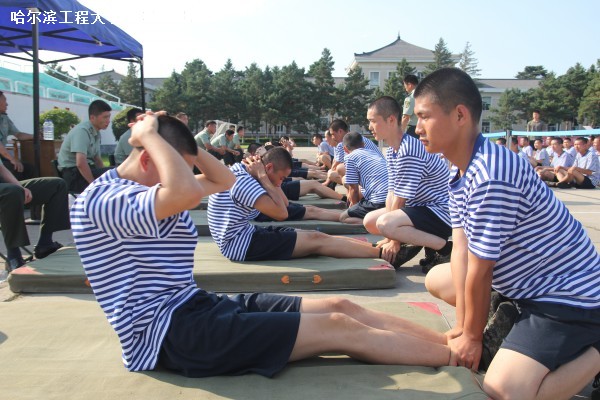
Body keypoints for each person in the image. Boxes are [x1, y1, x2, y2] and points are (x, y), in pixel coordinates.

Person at [71, 112, 453, 379]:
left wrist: (180, 138)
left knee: (341, 306)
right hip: (169, 336)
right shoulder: (105, 201)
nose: (186, 175)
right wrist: (151, 136)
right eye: (180, 167)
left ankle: (447, 340)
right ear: (147, 158)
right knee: (338, 327)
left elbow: (221, 180)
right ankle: (458, 357)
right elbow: (187, 190)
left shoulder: (144, 190)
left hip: (195, 306)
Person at [416, 68, 599, 400]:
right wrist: (463, 328)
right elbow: (461, 251)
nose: (418, 128)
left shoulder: (491, 174)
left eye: (424, 117)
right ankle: (514, 324)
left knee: (503, 391)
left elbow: (481, 268)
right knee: (438, 278)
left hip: (567, 294)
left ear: (459, 115)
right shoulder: (460, 169)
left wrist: (472, 339)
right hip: (528, 284)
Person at [208, 147, 408, 266]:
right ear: (267, 168)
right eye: (281, 178)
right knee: (316, 240)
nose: (280, 183)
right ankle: (387, 255)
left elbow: (284, 204)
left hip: (246, 234)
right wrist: (264, 177)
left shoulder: (246, 173)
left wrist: (268, 180)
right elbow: (281, 213)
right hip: (240, 245)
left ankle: (377, 248)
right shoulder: (244, 181)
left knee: (315, 235)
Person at [363, 96, 452, 272]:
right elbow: (392, 193)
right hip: (422, 207)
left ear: (391, 120)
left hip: (442, 211)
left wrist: (393, 239)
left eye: (373, 121)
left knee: (385, 224)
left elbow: (401, 199)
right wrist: (389, 237)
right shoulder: (392, 151)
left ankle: (445, 248)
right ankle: (413, 240)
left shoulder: (408, 150)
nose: (370, 127)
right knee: (371, 221)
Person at [0, 162, 69, 272]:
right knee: (12, 192)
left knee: (57, 185)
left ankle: (45, 244)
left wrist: (20, 187)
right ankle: (13, 256)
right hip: (7, 191)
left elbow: (1, 168)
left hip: (6, 187)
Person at [57, 99, 112, 193]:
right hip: (74, 175)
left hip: (85, 171)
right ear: (92, 117)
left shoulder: (96, 132)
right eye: (105, 117)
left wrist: (106, 173)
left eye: (109, 117)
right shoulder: (82, 131)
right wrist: (94, 185)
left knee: (114, 173)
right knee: (117, 173)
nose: (108, 121)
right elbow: (80, 163)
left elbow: (97, 159)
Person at [338, 131, 388, 225]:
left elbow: (354, 189)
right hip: (391, 198)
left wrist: (353, 209)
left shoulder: (350, 157)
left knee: (343, 217)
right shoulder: (373, 153)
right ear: (363, 144)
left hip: (378, 201)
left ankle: (374, 223)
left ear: (345, 149)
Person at [325, 119, 382, 188]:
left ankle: (360, 190)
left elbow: (336, 166)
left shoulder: (348, 142)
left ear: (340, 131)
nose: (332, 137)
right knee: (340, 172)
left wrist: (327, 181)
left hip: (374, 173)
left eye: (333, 134)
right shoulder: (354, 138)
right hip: (377, 171)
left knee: (337, 172)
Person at [0, 90, 34, 180]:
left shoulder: (4, 117)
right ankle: (17, 188)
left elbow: (18, 134)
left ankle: (26, 188)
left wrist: (34, 136)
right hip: (2, 156)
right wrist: (12, 159)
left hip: (3, 157)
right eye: (4, 101)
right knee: (16, 169)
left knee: (29, 168)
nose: (7, 104)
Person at [401, 74, 420, 139]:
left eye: (405, 85)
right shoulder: (425, 94)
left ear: (409, 85)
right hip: (425, 129)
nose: (405, 88)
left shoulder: (410, 98)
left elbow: (406, 117)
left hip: (413, 130)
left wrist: (399, 133)